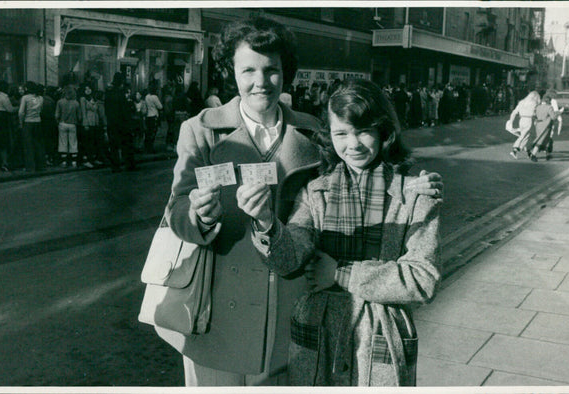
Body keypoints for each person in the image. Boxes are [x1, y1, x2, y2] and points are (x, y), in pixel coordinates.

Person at [160, 15, 442, 387]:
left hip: (292, 313)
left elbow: (357, 173)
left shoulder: (313, 131)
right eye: (248, 70)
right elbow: (177, 209)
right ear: (232, 71)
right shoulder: (201, 130)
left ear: (286, 72)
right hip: (218, 315)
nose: (260, 82)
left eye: (271, 70)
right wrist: (198, 215)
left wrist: (412, 185)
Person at [238, 79, 441, 386]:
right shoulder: (315, 191)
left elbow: (423, 280)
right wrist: (265, 221)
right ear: (329, 135)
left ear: (383, 131)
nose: (353, 144)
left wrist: (340, 273)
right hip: (318, 335)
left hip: (379, 334)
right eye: (341, 133)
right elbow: (288, 260)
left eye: (364, 130)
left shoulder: (415, 194)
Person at [18, 81, 46, 171]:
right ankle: (40, 165)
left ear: (27, 88)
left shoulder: (25, 98)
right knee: (38, 145)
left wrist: (21, 123)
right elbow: (41, 110)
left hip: (28, 122)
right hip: (38, 122)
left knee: (28, 145)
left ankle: (30, 166)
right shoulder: (41, 98)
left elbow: (21, 112)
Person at [508, 91, 540, 159]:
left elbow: (514, 112)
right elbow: (535, 113)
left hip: (521, 119)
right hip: (528, 119)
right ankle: (515, 149)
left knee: (526, 136)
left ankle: (527, 150)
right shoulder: (534, 103)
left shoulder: (522, 102)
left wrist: (511, 121)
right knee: (524, 135)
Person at [55, 86, 81, 167]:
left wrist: (58, 122)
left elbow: (57, 115)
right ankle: (74, 162)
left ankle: (64, 161)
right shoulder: (76, 103)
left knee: (63, 142)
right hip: (73, 124)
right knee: (73, 142)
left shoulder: (60, 102)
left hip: (62, 123)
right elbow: (79, 117)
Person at [529, 92, 557, 162]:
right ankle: (533, 154)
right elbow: (553, 117)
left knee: (545, 139)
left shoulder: (538, 107)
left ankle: (548, 154)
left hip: (538, 125)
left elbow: (534, 115)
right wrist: (558, 113)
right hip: (546, 126)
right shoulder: (549, 107)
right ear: (549, 101)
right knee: (541, 140)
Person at [144, 86, 164, 153]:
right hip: (154, 115)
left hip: (148, 115)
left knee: (148, 132)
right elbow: (160, 106)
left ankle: (147, 147)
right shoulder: (155, 97)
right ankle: (151, 147)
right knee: (153, 132)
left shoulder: (147, 97)